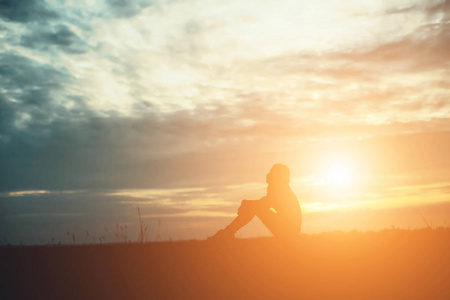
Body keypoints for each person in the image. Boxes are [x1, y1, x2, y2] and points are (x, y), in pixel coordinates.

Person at [208, 164, 301, 241]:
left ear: (277, 176)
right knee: (253, 207)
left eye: (271, 172)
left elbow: (266, 203)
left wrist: (247, 204)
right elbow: (265, 203)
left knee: (253, 208)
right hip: (288, 228)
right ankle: (228, 233)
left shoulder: (280, 188)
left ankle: (227, 233)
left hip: (289, 230)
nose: (268, 174)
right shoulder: (278, 187)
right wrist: (248, 205)